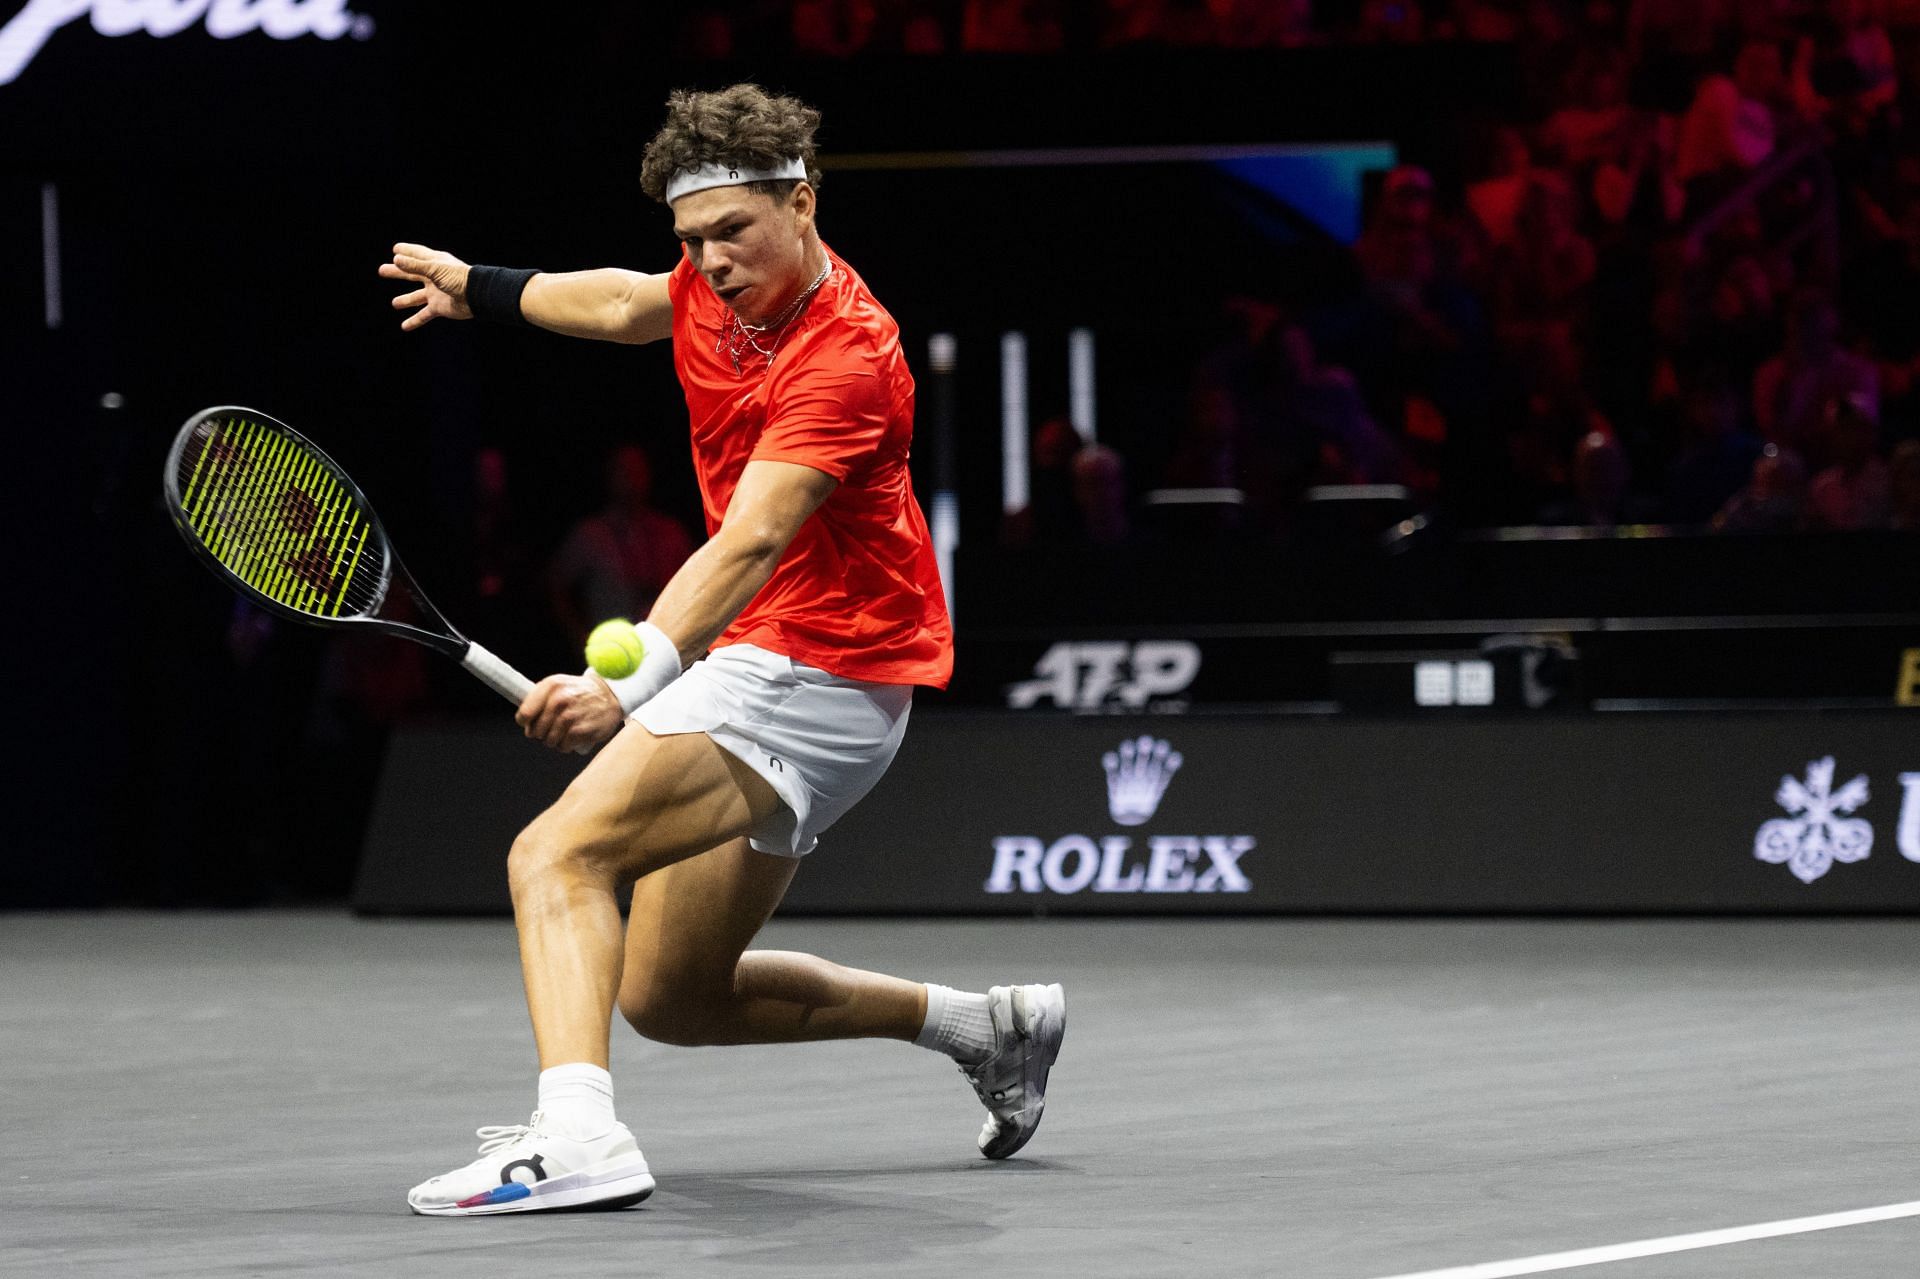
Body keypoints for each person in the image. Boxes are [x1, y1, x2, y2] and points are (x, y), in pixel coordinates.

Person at [378, 83, 1066, 1217]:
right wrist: (485, 291)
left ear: (804, 202)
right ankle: (981, 1027)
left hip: (818, 667)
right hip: (791, 665)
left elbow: (749, 542)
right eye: (693, 240)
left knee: (557, 858)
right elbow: (624, 306)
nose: (712, 261)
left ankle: (578, 1137)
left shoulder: (848, 353)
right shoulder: (707, 282)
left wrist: (625, 680)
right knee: (673, 995)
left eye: (733, 232)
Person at [547, 443, 695, 649]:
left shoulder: (671, 532)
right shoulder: (590, 535)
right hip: (612, 652)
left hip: (669, 650)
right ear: (609, 476)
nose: (631, 478)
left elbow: (695, 587)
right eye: (623, 470)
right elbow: (555, 586)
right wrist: (580, 638)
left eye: (637, 470)